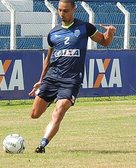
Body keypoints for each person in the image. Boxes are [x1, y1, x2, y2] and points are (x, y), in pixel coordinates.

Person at [28, 0, 116, 153]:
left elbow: (105, 42)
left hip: (71, 80)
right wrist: (41, 80)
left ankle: (42, 145)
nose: (62, 14)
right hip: (52, 78)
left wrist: (110, 33)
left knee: (60, 110)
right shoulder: (53, 33)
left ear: (74, 9)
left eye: (66, 10)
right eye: (60, 10)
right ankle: (50, 99)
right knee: (34, 115)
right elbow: (48, 59)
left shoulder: (85, 28)